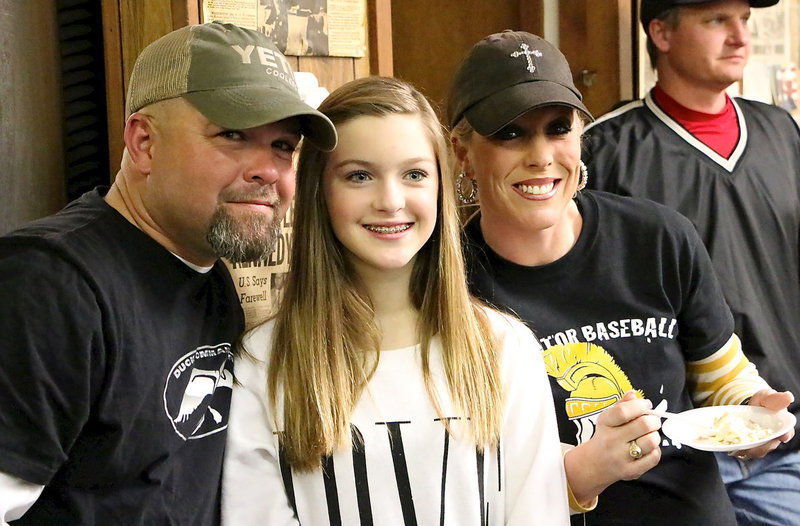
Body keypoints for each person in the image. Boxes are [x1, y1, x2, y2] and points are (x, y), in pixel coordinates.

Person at [447, 30, 794, 525]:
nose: (542, 156)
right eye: (510, 133)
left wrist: (753, 408)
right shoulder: (450, 283)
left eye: (558, 128)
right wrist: (577, 475)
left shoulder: (658, 238)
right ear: (462, 151)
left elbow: (720, 376)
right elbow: (461, 479)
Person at [0, 22, 336, 525]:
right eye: (232, 135)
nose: (267, 169)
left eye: (283, 146)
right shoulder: (49, 283)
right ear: (144, 142)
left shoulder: (208, 273)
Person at [222, 76, 570, 525]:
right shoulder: (261, 365)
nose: (391, 201)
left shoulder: (505, 350)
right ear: (319, 191)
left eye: (414, 175)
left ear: (440, 188)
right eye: (359, 176)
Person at [581, 1, 800, 524]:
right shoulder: (605, 149)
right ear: (660, 31)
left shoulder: (783, 132)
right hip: (677, 448)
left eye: (743, 19)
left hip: (785, 426)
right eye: (715, 21)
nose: (738, 36)